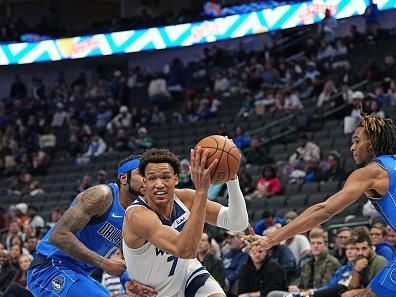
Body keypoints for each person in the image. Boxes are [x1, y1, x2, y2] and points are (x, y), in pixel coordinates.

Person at [246, 113, 396, 297]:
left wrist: (271, 239)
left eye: (357, 141)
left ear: (371, 144)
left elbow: (324, 210)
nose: (352, 147)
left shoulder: (372, 172)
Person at [123, 148, 249, 297]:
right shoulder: (137, 216)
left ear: (175, 179)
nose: (159, 184)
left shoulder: (186, 199)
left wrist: (231, 177)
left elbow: (237, 223)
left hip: (189, 275)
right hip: (156, 293)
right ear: (145, 182)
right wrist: (201, 191)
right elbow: (185, 250)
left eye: (165, 177)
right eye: (152, 178)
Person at [27, 155, 156, 297]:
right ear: (124, 178)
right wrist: (103, 263)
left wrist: (126, 280)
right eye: (142, 173)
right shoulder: (102, 195)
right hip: (49, 267)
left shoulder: (138, 213)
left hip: (80, 274)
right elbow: (58, 235)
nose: (147, 179)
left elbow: (128, 256)